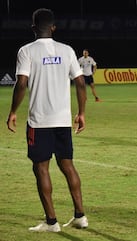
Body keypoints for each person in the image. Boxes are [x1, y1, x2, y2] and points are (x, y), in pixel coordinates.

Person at [6, 8, 88, 232]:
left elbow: (21, 83)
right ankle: (80, 216)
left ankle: (51, 222)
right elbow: (80, 83)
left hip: (39, 122)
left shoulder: (26, 51)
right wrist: (81, 113)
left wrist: (13, 111)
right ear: (53, 27)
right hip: (62, 121)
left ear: (33, 28)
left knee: (41, 168)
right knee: (68, 165)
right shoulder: (67, 50)